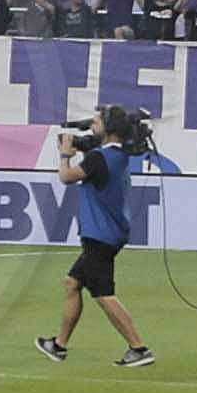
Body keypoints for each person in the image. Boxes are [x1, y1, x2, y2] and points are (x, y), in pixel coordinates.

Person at [32, 105, 156, 370]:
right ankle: (59, 346)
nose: (92, 125)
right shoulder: (117, 155)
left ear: (109, 128)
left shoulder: (99, 158)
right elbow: (94, 149)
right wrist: (80, 143)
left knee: (103, 295)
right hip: (108, 231)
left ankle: (139, 348)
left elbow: (66, 178)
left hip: (99, 234)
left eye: (97, 122)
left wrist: (65, 155)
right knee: (72, 283)